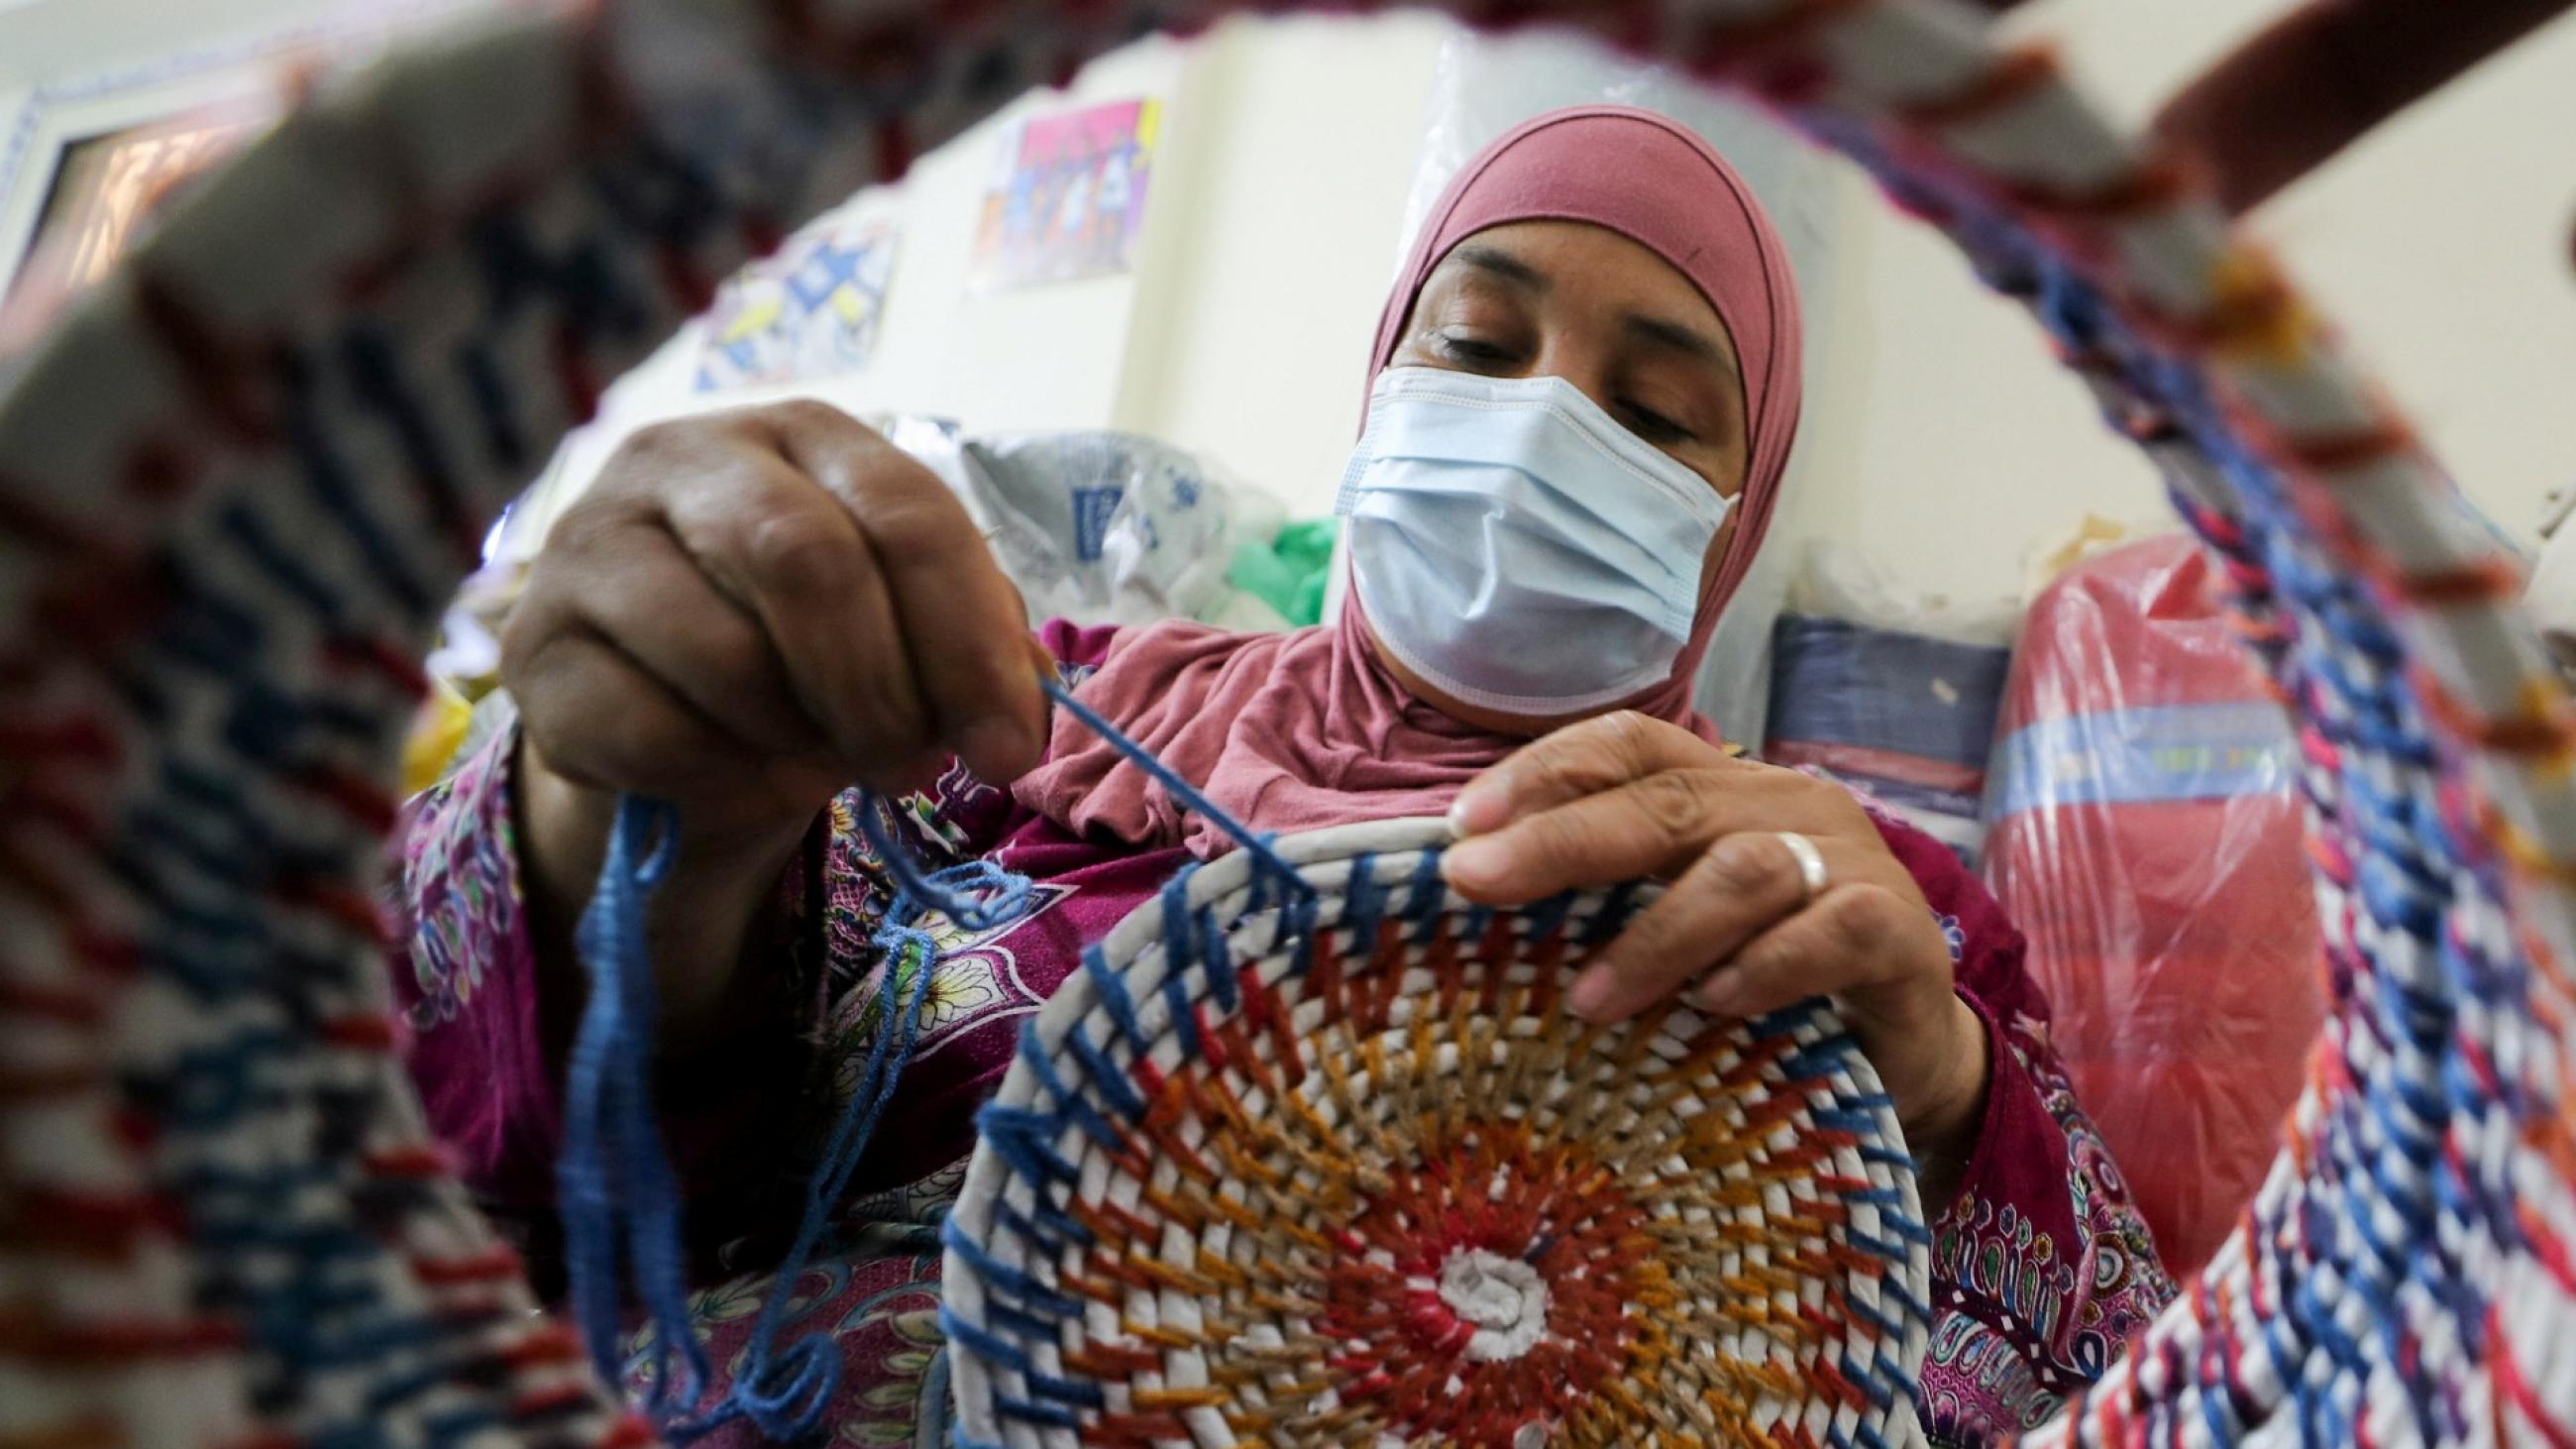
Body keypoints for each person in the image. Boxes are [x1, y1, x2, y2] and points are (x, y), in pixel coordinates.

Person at [391, 107, 2170, 1447]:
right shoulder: (1025, 733)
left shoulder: (1860, 909)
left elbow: (2160, 1374)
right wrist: (631, 819)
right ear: (1378, 390)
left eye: (1654, 413)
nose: (1540, 424)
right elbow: (498, 1148)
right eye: (1474, 350)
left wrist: (1938, 1106)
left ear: (1736, 520)